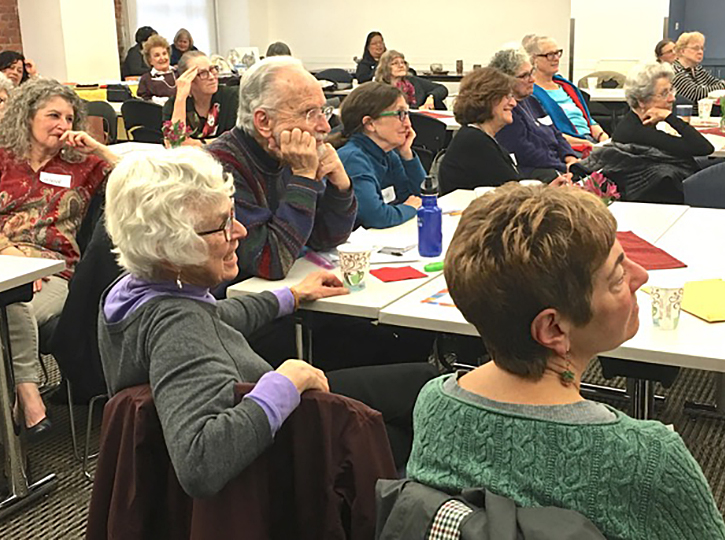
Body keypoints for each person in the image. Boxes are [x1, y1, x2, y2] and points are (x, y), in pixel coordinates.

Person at [100, 147, 437, 496]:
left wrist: (289, 296)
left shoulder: (130, 293)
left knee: (412, 401)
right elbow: (199, 462)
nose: (241, 232)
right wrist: (284, 382)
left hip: (268, 426)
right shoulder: (178, 326)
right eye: (222, 225)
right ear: (168, 248)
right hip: (279, 458)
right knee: (425, 394)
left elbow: (212, 318)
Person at [407, 183, 725, 540]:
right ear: (554, 328)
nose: (641, 276)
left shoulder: (435, 403)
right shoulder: (646, 458)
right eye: (618, 277)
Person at [0, 78, 118, 436]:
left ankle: (21, 412)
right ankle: (27, 391)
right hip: (5, 258)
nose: (63, 125)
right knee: (11, 294)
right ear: (27, 115)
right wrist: (9, 251)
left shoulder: (82, 164)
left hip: (54, 271)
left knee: (10, 302)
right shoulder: (4, 158)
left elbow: (143, 181)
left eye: (69, 118)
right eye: (53, 115)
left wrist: (100, 149)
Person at [206, 56, 356, 282]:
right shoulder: (219, 169)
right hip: (232, 305)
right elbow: (270, 262)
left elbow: (326, 238)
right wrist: (304, 178)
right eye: (309, 113)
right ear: (264, 122)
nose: (325, 127)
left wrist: (340, 187)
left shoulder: (285, 154)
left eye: (322, 112)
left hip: (283, 297)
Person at [337, 82, 423, 229]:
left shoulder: (388, 153)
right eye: (400, 114)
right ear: (370, 124)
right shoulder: (353, 158)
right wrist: (410, 208)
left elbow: (421, 196)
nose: (408, 124)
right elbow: (377, 217)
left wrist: (407, 154)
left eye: (407, 114)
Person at [490, 48, 578, 181]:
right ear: (505, 79)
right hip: (537, 172)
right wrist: (563, 167)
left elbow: (556, 134)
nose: (532, 79)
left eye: (531, 73)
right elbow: (526, 152)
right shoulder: (505, 111)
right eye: (524, 76)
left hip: (558, 165)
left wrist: (570, 158)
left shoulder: (532, 101)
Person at [439, 67, 520, 195]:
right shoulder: (474, 142)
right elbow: (512, 189)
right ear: (488, 99)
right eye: (507, 97)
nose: (514, 103)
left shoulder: (479, 136)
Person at [615, 62, 713, 157]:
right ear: (642, 101)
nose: (672, 98)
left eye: (671, 90)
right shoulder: (639, 133)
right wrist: (669, 117)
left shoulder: (637, 122)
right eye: (664, 93)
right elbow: (704, 148)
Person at [525, 35, 608, 147]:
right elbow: (546, 133)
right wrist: (586, 144)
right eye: (550, 55)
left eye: (557, 53)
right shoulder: (531, 93)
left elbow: (587, 119)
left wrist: (602, 137)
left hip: (589, 140)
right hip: (567, 146)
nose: (556, 58)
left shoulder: (566, 86)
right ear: (534, 59)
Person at [162, 51, 239, 145]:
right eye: (203, 73)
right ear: (189, 80)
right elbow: (174, 143)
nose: (211, 77)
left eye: (212, 69)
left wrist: (196, 143)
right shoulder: (174, 104)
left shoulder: (231, 97)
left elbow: (236, 141)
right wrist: (181, 97)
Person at [375, 50, 448, 110]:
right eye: (395, 63)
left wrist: (431, 97)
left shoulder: (412, 81)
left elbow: (442, 89)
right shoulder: (381, 89)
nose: (401, 66)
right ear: (385, 68)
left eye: (402, 62)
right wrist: (418, 109)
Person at [672, 31, 725, 103]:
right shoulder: (675, 71)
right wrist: (721, 87)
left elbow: (714, 82)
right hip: (687, 112)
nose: (700, 52)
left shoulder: (697, 69)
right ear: (682, 51)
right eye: (696, 48)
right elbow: (696, 93)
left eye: (702, 48)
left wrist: (720, 86)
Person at [136, 34, 177, 100]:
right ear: (150, 60)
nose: (162, 58)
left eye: (164, 53)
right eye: (157, 55)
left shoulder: (179, 73)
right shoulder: (146, 79)